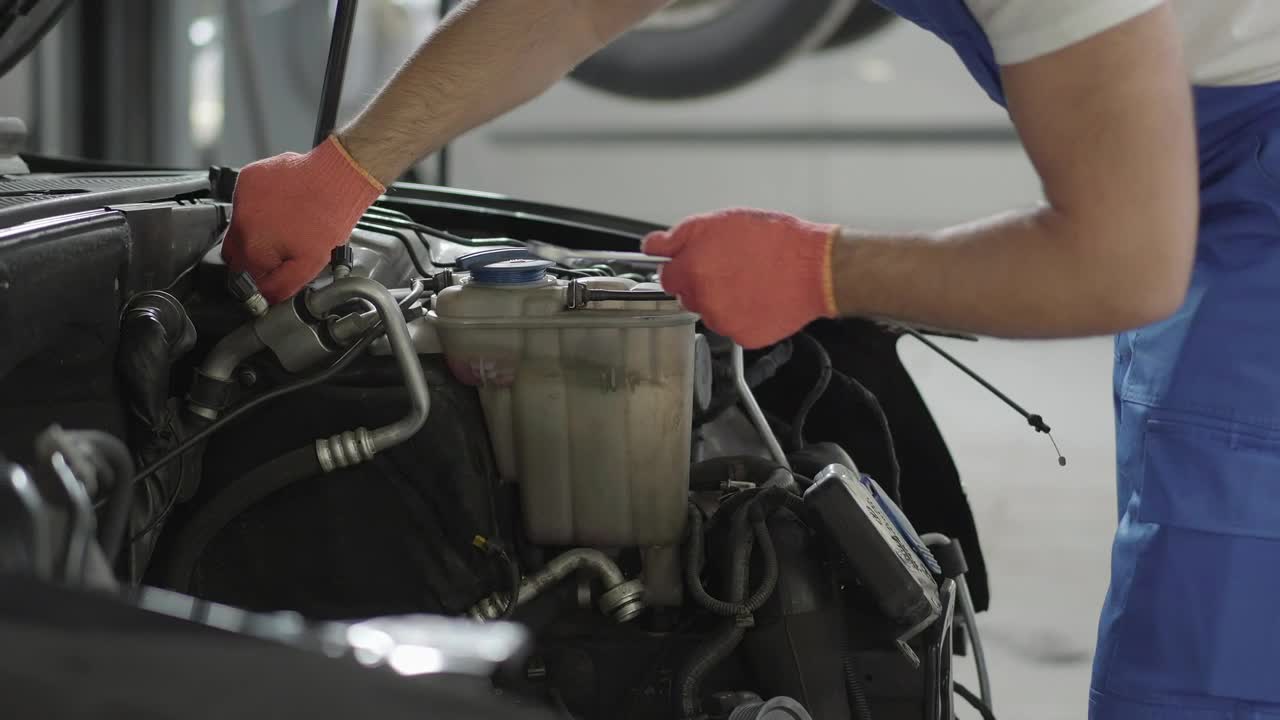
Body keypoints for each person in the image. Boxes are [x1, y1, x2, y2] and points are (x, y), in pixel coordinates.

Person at [222, 1, 1280, 717]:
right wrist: (347, 167)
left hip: (1247, 191)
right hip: (1208, 174)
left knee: (1216, 639)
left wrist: (822, 275)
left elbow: (1117, 262)